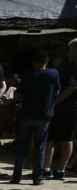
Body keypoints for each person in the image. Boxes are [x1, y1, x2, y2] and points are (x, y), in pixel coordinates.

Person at [12, 49, 62, 185]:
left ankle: (16, 176)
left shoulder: (26, 76)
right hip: (43, 115)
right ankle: (37, 177)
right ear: (47, 61)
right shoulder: (53, 74)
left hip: (26, 114)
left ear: (33, 62)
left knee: (22, 146)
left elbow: (18, 96)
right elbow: (57, 91)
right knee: (40, 147)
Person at [45, 38, 77, 180]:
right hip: (59, 105)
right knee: (51, 137)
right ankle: (46, 168)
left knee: (65, 138)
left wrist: (56, 101)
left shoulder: (74, 67)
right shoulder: (65, 64)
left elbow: (71, 87)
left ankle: (60, 169)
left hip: (68, 107)